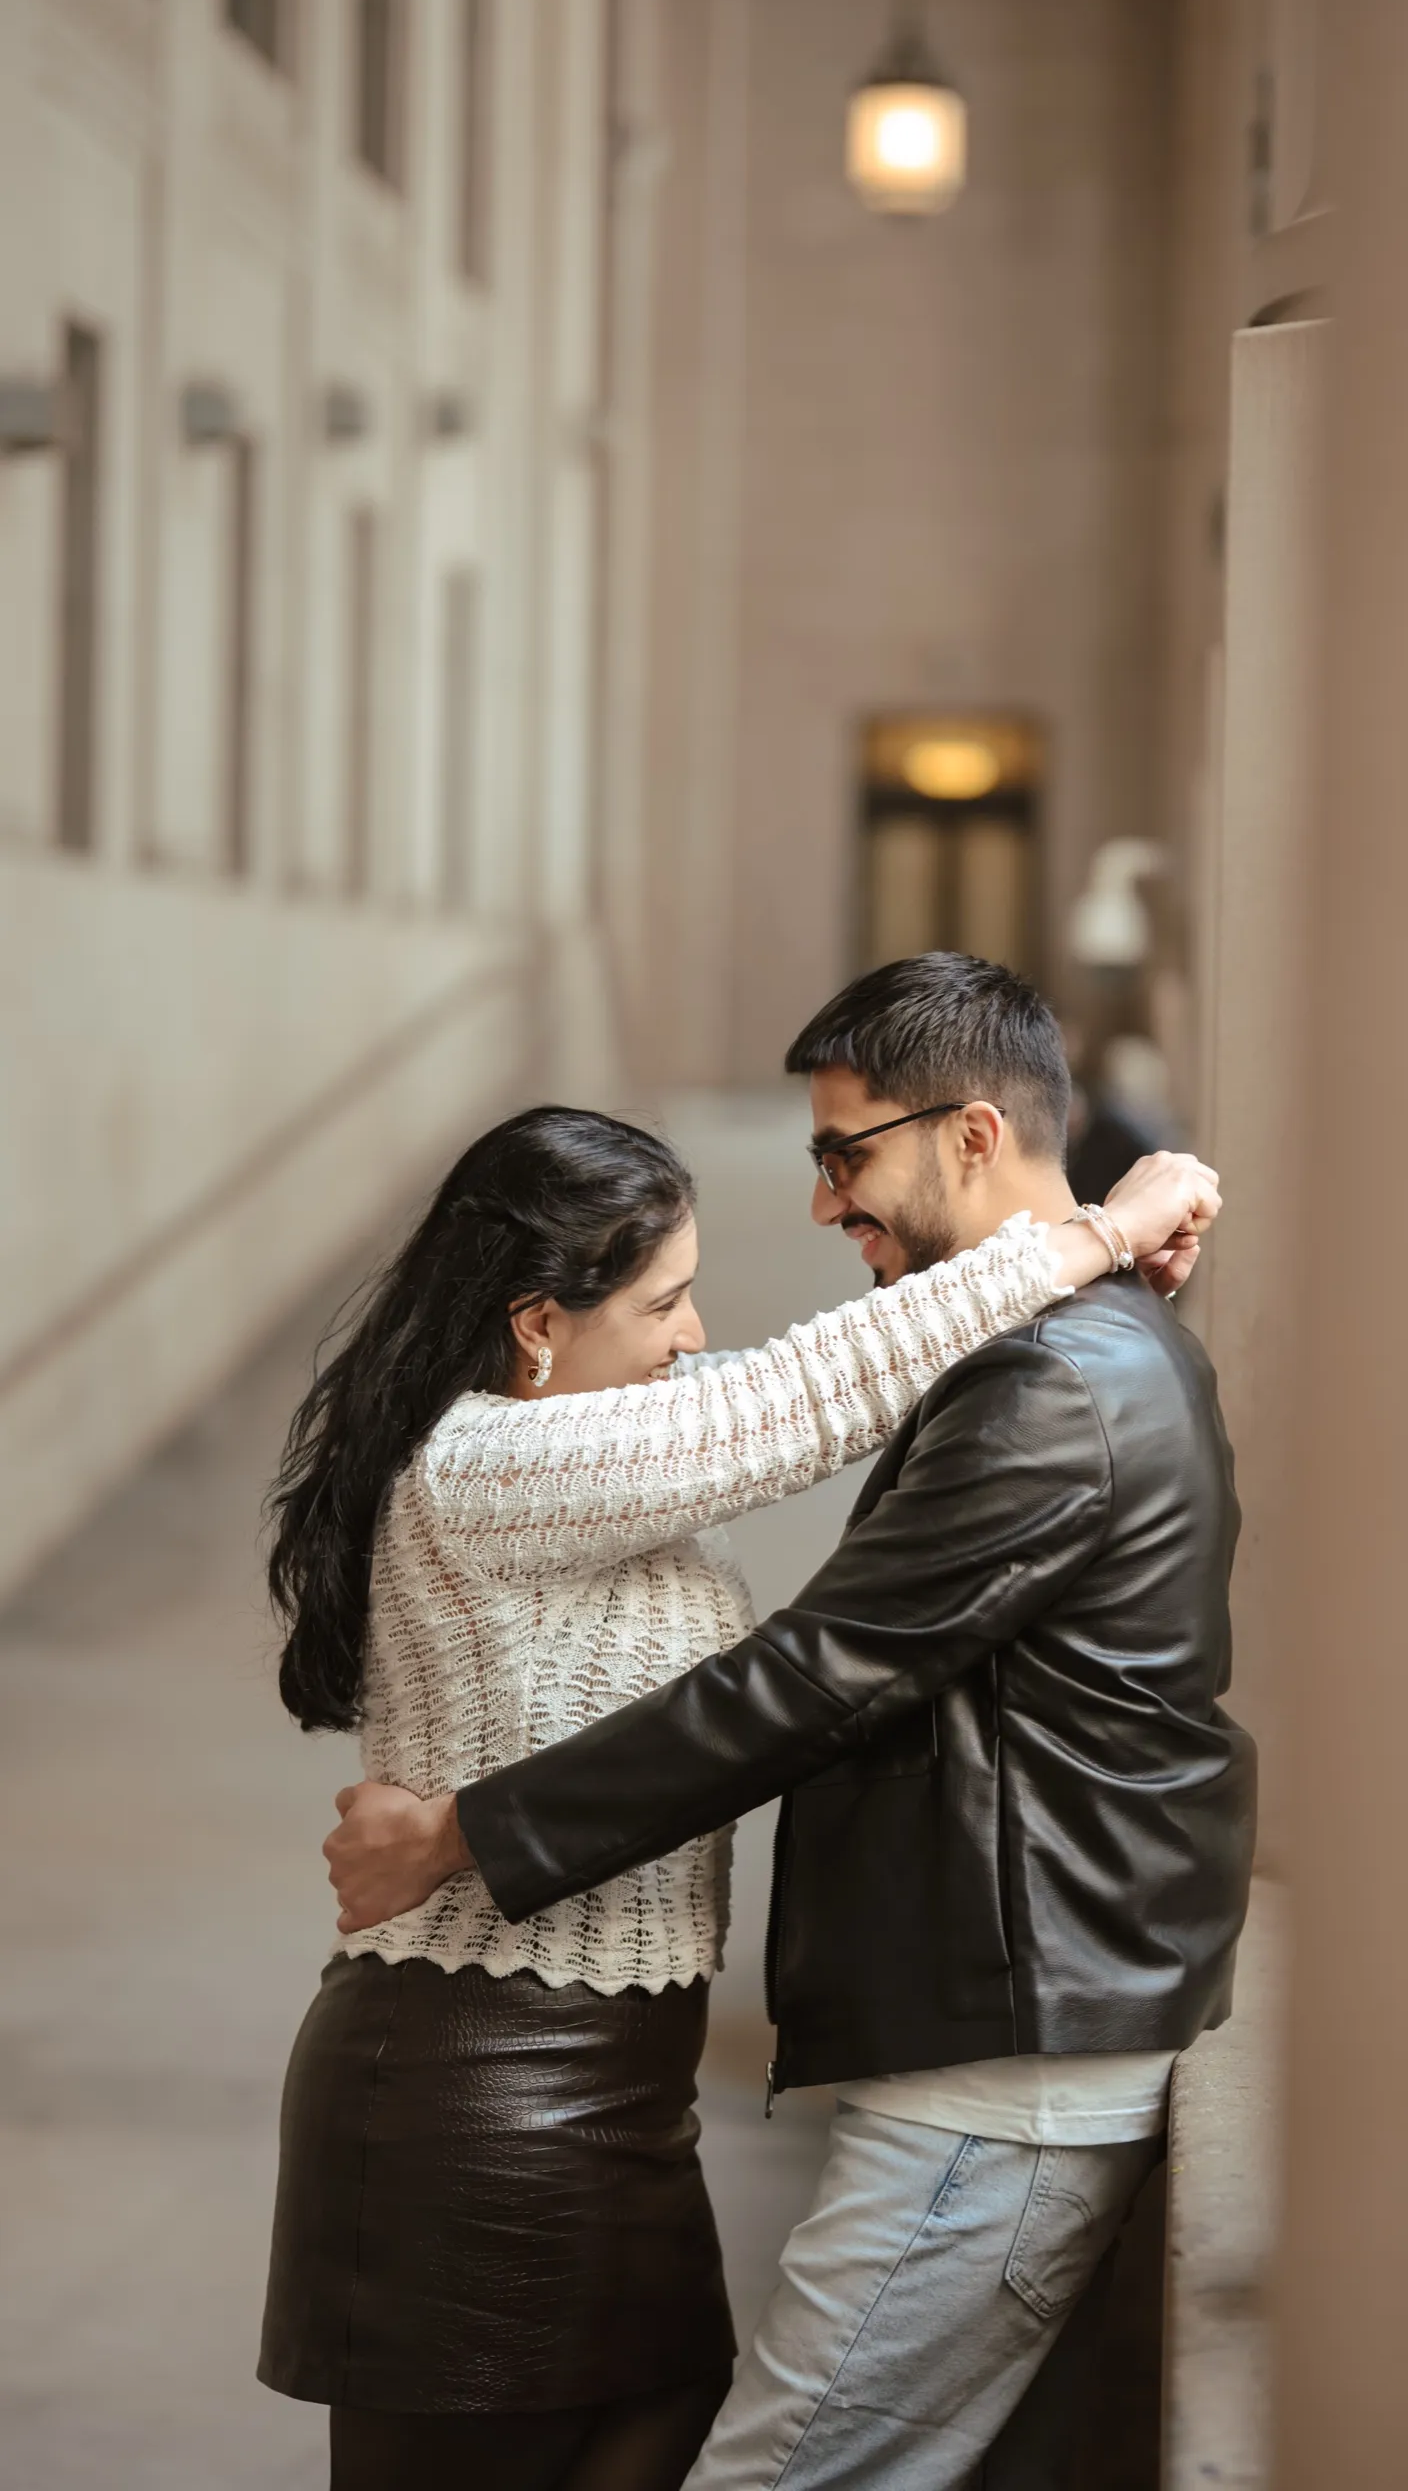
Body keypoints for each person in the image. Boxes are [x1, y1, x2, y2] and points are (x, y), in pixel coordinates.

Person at [324, 953, 1256, 2491]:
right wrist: (1087, 1242)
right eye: (667, 1300)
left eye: (844, 1155)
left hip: (994, 2061)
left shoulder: (1054, 1375)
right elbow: (793, 1406)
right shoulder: (505, 1459)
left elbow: (817, 1669)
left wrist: (467, 1835)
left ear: (969, 1135)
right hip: (531, 2082)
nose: (820, 1204)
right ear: (537, 1323)